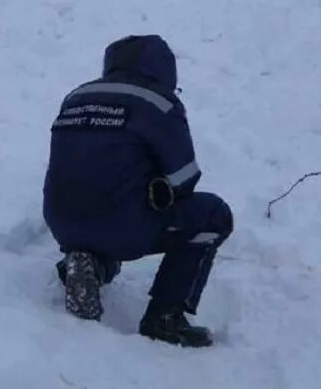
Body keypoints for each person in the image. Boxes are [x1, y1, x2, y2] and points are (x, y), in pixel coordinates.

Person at [42, 35, 234, 348]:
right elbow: (184, 178)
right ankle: (165, 315)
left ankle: (91, 263)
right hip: (121, 223)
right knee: (213, 216)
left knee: (105, 205)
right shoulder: (158, 102)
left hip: (61, 220)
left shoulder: (76, 96)